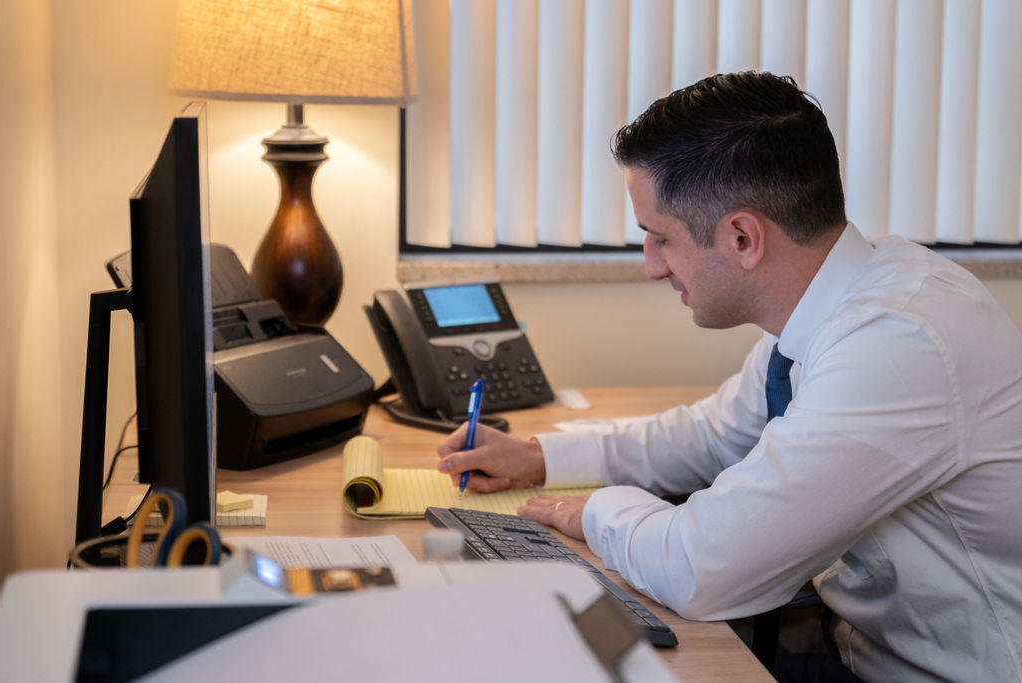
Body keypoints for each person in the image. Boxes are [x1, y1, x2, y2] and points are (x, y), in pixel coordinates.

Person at [436, 71, 1022, 682]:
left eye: (660, 238)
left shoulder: (896, 345)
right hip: (854, 644)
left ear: (743, 236)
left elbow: (701, 570)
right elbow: (714, 437)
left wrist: (593, 513)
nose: (651, 268)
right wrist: (539, 458)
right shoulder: (844, 292)